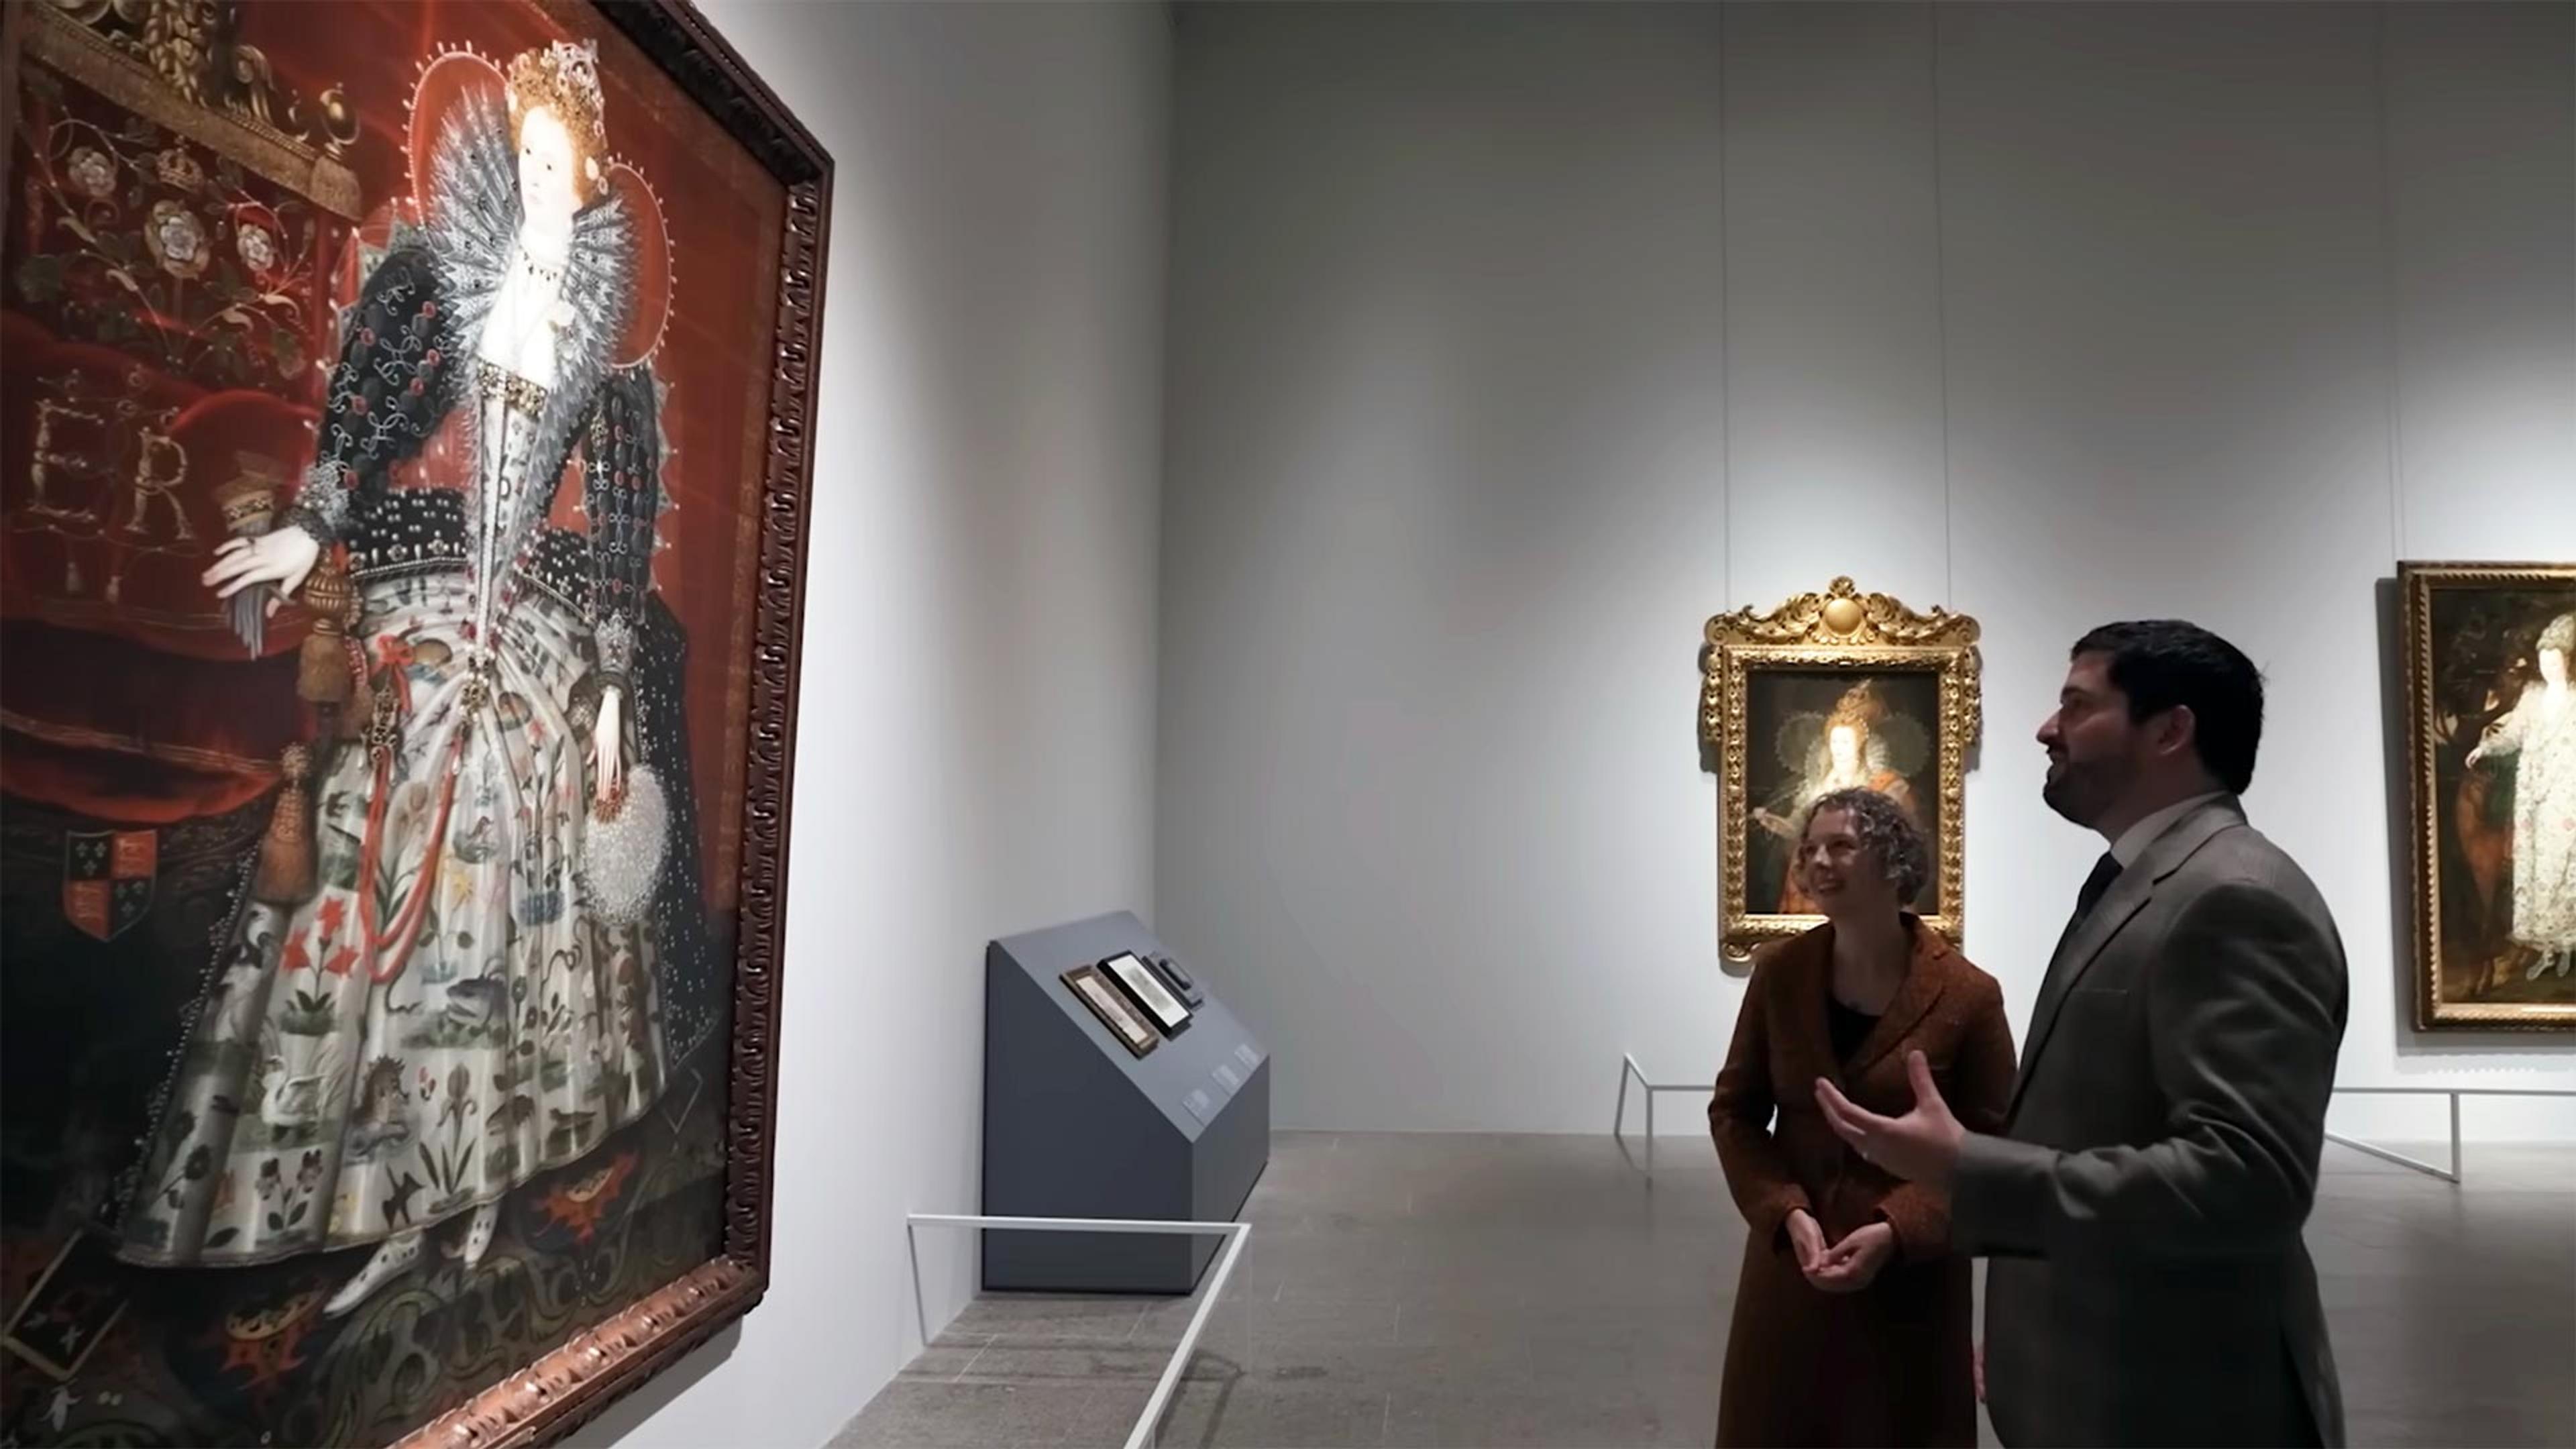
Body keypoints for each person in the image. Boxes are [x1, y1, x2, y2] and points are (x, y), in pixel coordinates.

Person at [122, 38, 702, 1319]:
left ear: (592, 181)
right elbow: (364, 427)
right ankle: (386, 1203)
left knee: (513, 922)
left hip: (537, 653)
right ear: (512, 154)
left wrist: (608, 701)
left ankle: (486, 1184)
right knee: (379, 902)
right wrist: (308, 527)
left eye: (568, 167)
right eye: (532, 156)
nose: (547, 183)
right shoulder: (435, 290)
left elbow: (615, 535)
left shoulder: (611, 369)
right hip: (430, 630)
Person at [1815, 621, 2349, 1447]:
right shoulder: (2144, 880)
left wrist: (1965, 1168)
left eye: (2078, 704)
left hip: (2180, 1402)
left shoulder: (2237, 900)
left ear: (2170, 731)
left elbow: (2249, 1182)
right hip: (2105, 1376)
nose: (2045, 727)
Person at [1709, 787, 2015, 1447]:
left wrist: (1897, 1228)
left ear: (1895, 862)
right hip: (1793, 1276)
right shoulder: (1781, 974)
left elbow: (1996, 1148)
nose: (1819, 860)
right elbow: (1735, 1111)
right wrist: (1785, 1210)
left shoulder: (1969, 995)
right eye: (1809, 847)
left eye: (1841, 846)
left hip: (1908, 1289)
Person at [2465, 612, 2576, 979]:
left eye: (2555, 662)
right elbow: (2512, 731)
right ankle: (2539, 946)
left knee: (2563, 868)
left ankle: (2565, 945)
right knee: (2532, 865)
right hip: (2532, 798)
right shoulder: (2532, 696)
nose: (2549, 669)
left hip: (2567, 795)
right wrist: (2486, 747)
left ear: (2568, 662)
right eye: (2544, 662)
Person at [1752, 680, 1924, 913]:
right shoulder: (1816, 786)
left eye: (1845, 742)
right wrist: (1774, 823)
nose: (1838, 748)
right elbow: (1799, 831)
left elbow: (1899, 840)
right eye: (1834, 741)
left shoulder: (1885, 785)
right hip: (1813, 879)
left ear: (1859, 745)